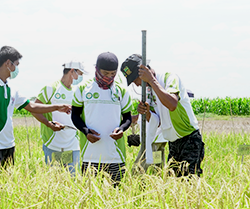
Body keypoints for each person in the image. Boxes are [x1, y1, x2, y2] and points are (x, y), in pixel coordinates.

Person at [0, 46, 71, 168]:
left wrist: (57, 107)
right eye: (16, 65)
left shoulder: (12, 89)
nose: (16, 69)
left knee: (7, 184)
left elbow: (32, 106)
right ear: (8, 63)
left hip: (9, 145)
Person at [121, 54, 204, 177]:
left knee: (188, 183)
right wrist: (147, 113)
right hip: (173, 142)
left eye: (135, 80)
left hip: (189, 139)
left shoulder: (169, 78)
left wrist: (151, 80)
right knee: (174, 186)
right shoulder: (149, 90)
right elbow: (158, 122)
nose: (137, 85)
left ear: (143, 71)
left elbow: (172, 104)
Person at [71, 52, 132, 184]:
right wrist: (86, 132)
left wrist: (121, 129)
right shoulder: (82, 88)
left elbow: (127, 118)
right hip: (90, 154)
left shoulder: (121, 91)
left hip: (115, 155)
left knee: (117, 195)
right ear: (96, 69)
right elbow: (75, 115)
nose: (108, 77)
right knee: (90, 197)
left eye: (112, 74)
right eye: (105, 73)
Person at [31, 61, 86, 174]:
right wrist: (48, 123)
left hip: (71, 143)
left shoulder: (77, 91)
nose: (81, 77)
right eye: (80, 74)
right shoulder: (51, 88)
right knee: (55, 178)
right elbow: (35, 109)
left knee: (73, 179)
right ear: (72, 71)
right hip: (53, 143)